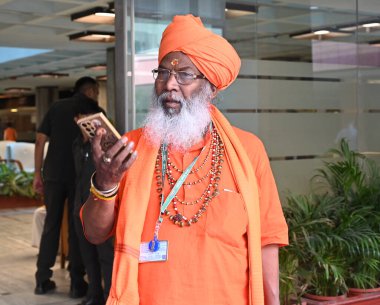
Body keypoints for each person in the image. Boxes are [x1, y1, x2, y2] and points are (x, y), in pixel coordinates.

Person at [82, 15, 288, 305]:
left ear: (212, 87)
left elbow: (267, 240)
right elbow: (93, 232)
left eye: (185, 75)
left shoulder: (248, 150)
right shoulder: (130, 148)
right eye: (163, 73)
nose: (170, 84)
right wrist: (105, 183)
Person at [33, 76, 100, 297]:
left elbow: (41, 140)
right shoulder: (93, 111)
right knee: (75, 228)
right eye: (96, 92)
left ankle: (42, 279)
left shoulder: (56, 107)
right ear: (90, 91)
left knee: (51, 225)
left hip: (52, 175)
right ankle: (76, 282)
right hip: (78, 178)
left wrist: (37, 174)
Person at [73, 104, 114, 305]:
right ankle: (94, 294)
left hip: (101, 207)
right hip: (80, 205)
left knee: (105, 256)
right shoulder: (77, 145)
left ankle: (108, 298)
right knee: (87, 255)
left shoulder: (108, 148)